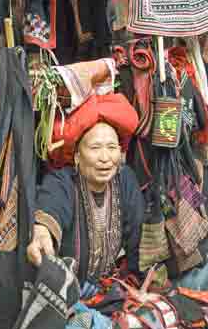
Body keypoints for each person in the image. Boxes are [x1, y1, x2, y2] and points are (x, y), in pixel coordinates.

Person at [27, 93, 145, 283]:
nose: (105, 157)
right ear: (77, 157)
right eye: (95, 148)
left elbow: (137, 237)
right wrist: (42, 231)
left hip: (110, 287)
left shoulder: (125, 180)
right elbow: (51, 202)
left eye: (112, 147)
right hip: (68, 292)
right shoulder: (63, 181)